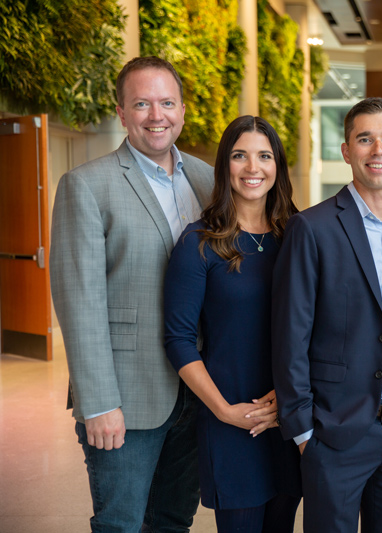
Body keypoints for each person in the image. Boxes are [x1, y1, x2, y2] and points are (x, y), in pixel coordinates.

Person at [50, 56, 214, 531]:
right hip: (126, 397)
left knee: (172, 521)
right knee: (120, 524)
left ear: (183, 110)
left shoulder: (209, 180)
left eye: (166, 102)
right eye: (141, 103)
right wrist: (98, 402)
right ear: (122, 112)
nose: (156, 115)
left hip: (198, 390)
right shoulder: (86, 185)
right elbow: (79, 304)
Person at [271, 97, 382, 533]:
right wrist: (305, 432)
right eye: (365, 139)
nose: (377, 150)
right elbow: (290, 335)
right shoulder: (312, 228)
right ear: (347, 151)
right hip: (334, 431)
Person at [163, 116, 301, 532]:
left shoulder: (298, 235)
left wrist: (287, 398)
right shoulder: (198, 242)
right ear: (225, 165)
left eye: (264, 156)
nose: (252, 167)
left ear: (278, 165)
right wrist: (224, 412)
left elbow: (318, 326)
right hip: (229, 418)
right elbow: (178, 338)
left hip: (286, 416)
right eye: (240, 156)